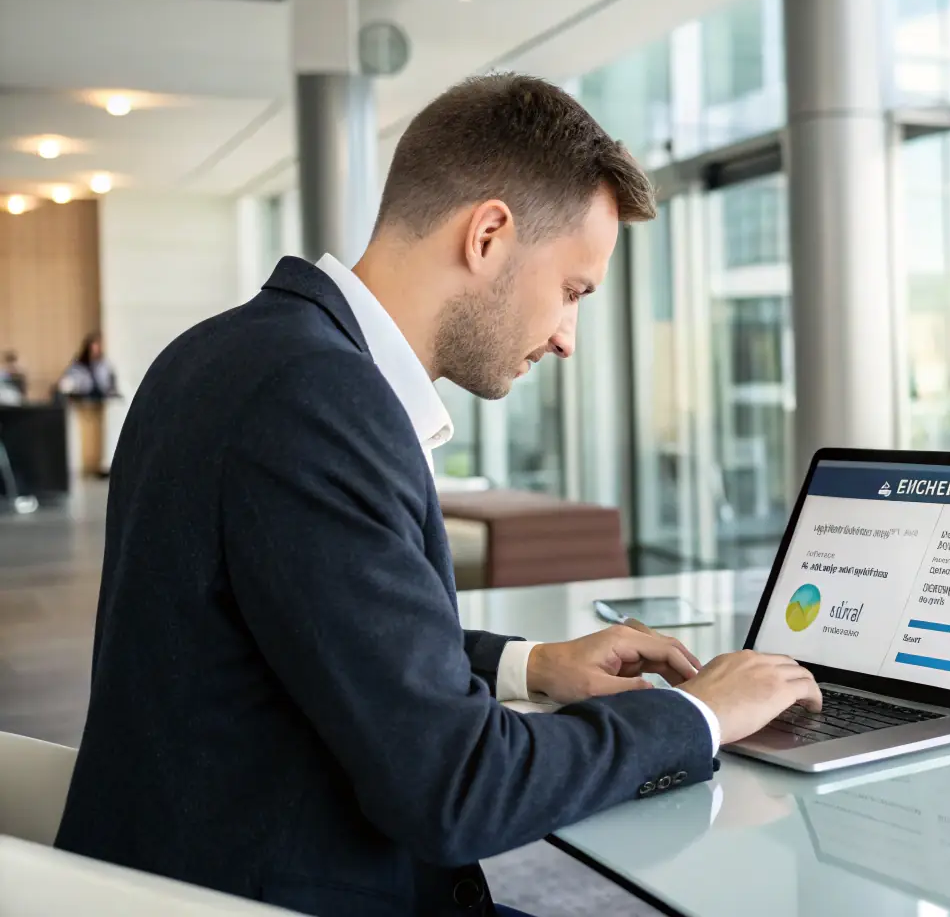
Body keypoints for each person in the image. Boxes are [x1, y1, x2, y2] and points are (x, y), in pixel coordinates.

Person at [55, 73, 821, 917]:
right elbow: (458, 792)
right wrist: (697, 712)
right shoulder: (318, 400)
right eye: (572, 291)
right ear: (489, 234)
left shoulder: (224, 352)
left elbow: (312, 626)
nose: (568, 338)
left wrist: (528, 665)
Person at [56, 333, 116, 399]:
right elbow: (66, 383)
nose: (97, 349)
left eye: (99, 346)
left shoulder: (105, 364)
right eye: (94, 346)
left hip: (102, 399)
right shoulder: (78, 365)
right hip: (83, 400)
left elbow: (110, 385)